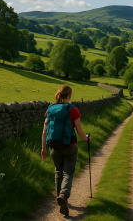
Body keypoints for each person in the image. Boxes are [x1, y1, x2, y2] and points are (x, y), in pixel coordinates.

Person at [41, 85, 90, 216]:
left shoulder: (50, 108)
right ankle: (63, 195)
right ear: (70, 95)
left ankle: (61, 199)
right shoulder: (73, 109)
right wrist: (87, 139)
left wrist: (43, 148)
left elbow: (45, 131)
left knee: (58, 171)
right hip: (70, 146)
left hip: (53, 146)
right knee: (68, 173)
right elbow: (79, 131)